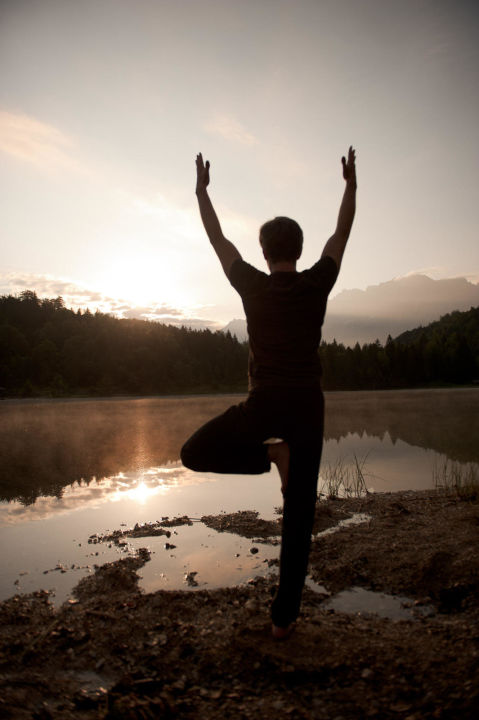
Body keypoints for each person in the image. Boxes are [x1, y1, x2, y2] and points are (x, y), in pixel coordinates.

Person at [181, 147, 357, 639]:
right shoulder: (318, 281)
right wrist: (350, 186)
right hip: (307, 405)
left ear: (264, 251)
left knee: (194, 453)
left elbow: (218, 240)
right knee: (299, 513)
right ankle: (285, 620)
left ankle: (270, 455)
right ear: (298, 251)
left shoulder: (252, 286)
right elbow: (341, 235)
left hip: (265, 402)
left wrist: (202, 192)